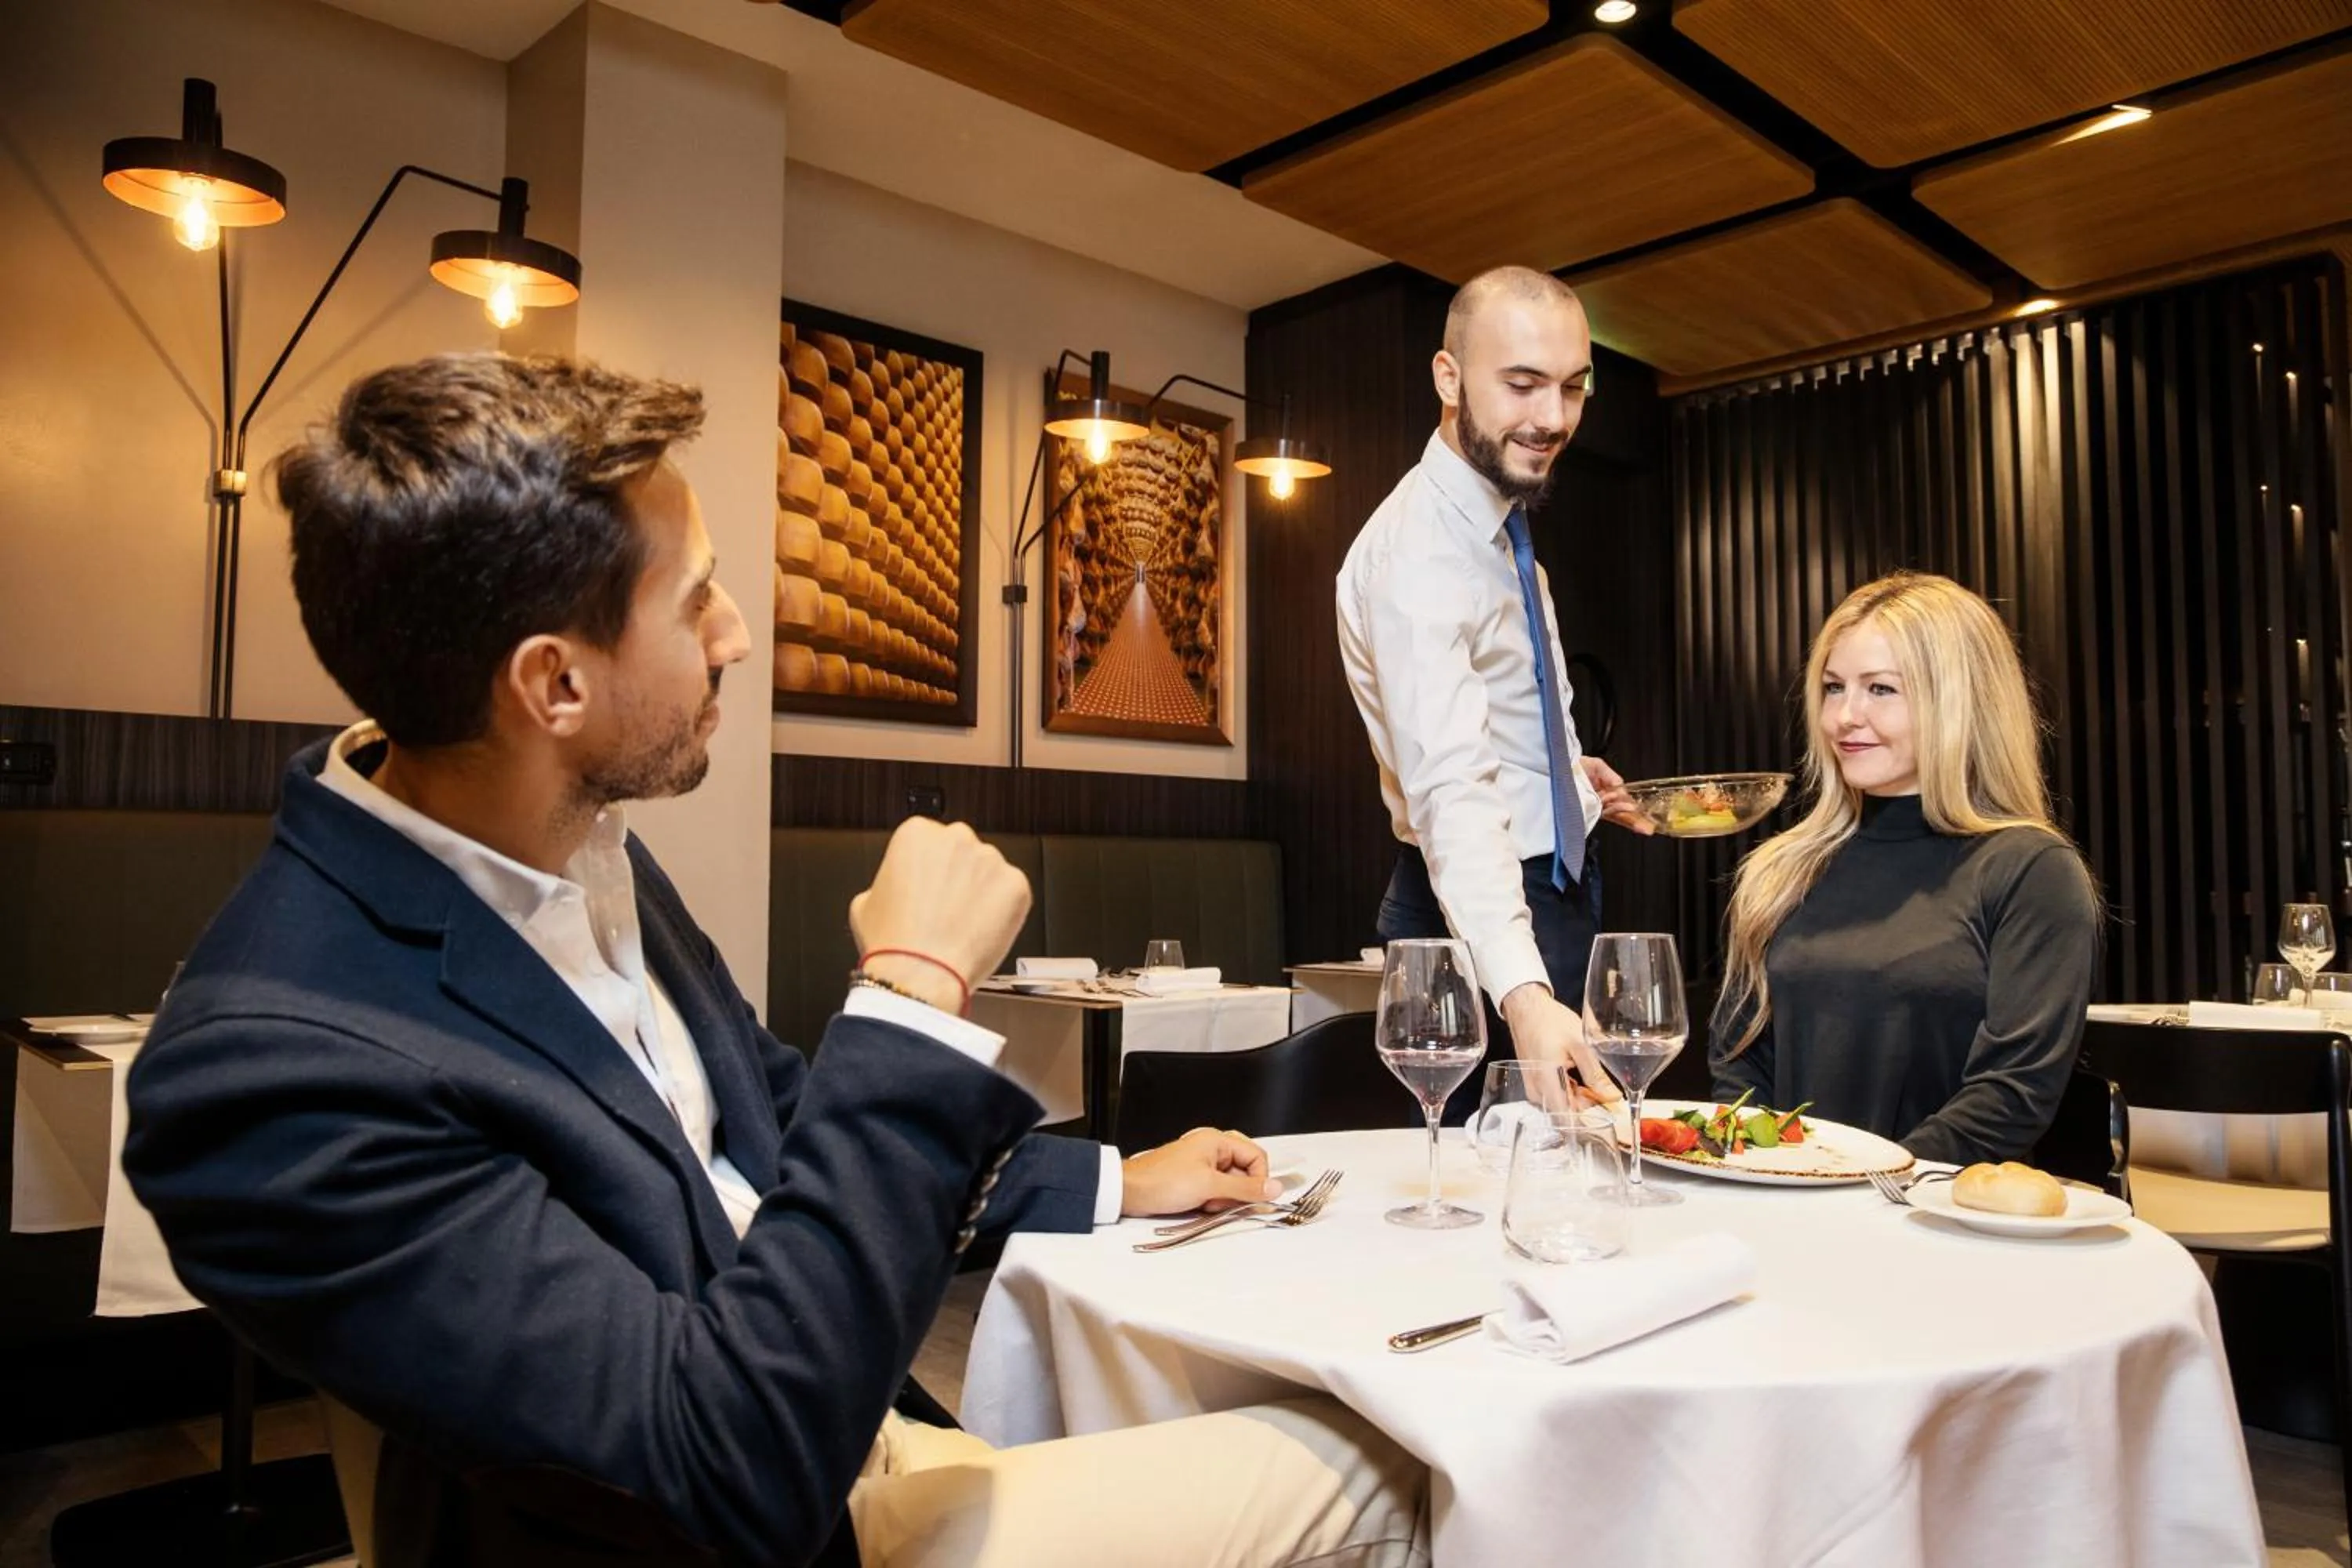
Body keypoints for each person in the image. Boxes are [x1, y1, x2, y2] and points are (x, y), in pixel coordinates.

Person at [122, 354, 1429, 1568]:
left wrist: (1110, 1180)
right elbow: (725, 1476)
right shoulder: (272, 1073)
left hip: (864, 1429)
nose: (739, 633)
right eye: (694, 599)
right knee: (1398, 1468)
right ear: (554, 687)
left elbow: (773, 1117)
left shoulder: (574, 838)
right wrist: (913, 995)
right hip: (773, 1520)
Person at [1337, 266, 1650, 1106]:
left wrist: (1563, 777)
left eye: (1572, 387)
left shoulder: (1504, 534)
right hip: (1476, 917)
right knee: (1492, 1175)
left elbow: (1498, 720)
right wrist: (1522, 993)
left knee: (1568, 1167)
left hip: (1548, 888)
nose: (1553, 417)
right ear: (1449, 378)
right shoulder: (1418, 553)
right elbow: (1451, 789)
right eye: (1522, 384)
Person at [1708, 571, 2101, 1164]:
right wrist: (1770, 1174)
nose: (1845, 716)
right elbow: (1739, 1061)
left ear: (1959, 701)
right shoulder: (1779, 870)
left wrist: (1870, 1186)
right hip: (1792, 1202)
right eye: (1834, 688)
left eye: (1881, 689)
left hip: (1938, 1208)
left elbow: (2012, 1094)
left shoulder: (2031, 872)